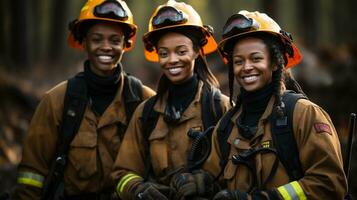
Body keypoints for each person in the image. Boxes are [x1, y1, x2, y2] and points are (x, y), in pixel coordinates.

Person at [172, 10, 348, 200]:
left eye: (256, 59)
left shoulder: (303, 115)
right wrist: (202, 182)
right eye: (238, 61)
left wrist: (267, 198)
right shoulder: (227, 126)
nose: (247, 67)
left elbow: (330, 183)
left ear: (274, 63)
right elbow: (217, 178)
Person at [12, 0, 155, 199]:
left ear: (125, 44)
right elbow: (31, 176)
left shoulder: (145, 100)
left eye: (115, 40)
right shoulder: (57, 101)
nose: (106, 47)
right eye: (97, 39)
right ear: (84, 42)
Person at [110, 0, 231, 199]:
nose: (172, 60)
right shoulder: (146, 113)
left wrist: (206, 183)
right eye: (164, 53)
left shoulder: (220, 107)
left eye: (181, 51)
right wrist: (138, 190)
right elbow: (121, 174)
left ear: (197, 52)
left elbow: (239, 176)